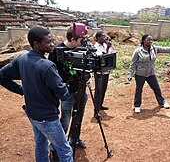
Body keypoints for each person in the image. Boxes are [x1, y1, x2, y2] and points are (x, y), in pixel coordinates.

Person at [0, 26, 73, 162]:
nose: (52, 44)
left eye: (52, 41)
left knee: (41, 144)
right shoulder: (47, 66)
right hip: (48, 117)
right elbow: (63, 95)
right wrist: (67, 85)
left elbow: (2, 75)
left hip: (32, 113)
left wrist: (21, 90)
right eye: (48, 42)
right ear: (36, 44)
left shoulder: (22, 58)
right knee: (65, 150)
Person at [48, 25, 91, 156]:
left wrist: (87, 78)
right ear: (73, 39)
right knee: (65, 119)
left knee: (79, 117)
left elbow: (88, 66)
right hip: (66, 92)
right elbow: (51, 71)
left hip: (81, 89)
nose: (84, 41)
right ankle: (57, 146)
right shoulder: (57, 50)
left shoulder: (84, 48)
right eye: (81, 38)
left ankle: (75, 138)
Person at [128, 34, 170, 113]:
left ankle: (162, 102)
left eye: (151, 40)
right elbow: (133, 63)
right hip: (140, 74)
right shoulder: (138, 51)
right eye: (149, 40)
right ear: (144, 40)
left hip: (151, 74)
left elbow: (167, 49)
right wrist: (130, 74)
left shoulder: (154, 49)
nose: (151, 41)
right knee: (139, 90)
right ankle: (137, 106)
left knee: (156, 88)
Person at [93, 31, 116, 116]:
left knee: (103, 89)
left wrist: (110, 47)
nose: (105, 38)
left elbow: (113, 53)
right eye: (103, 36)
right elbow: (101, 58)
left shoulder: (105, 45)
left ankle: (100, 105)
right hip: (99, 73)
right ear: (98, 38)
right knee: (98, 92)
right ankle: (95, 111)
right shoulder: (95, 47)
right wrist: (107, 49)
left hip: (106, 71)